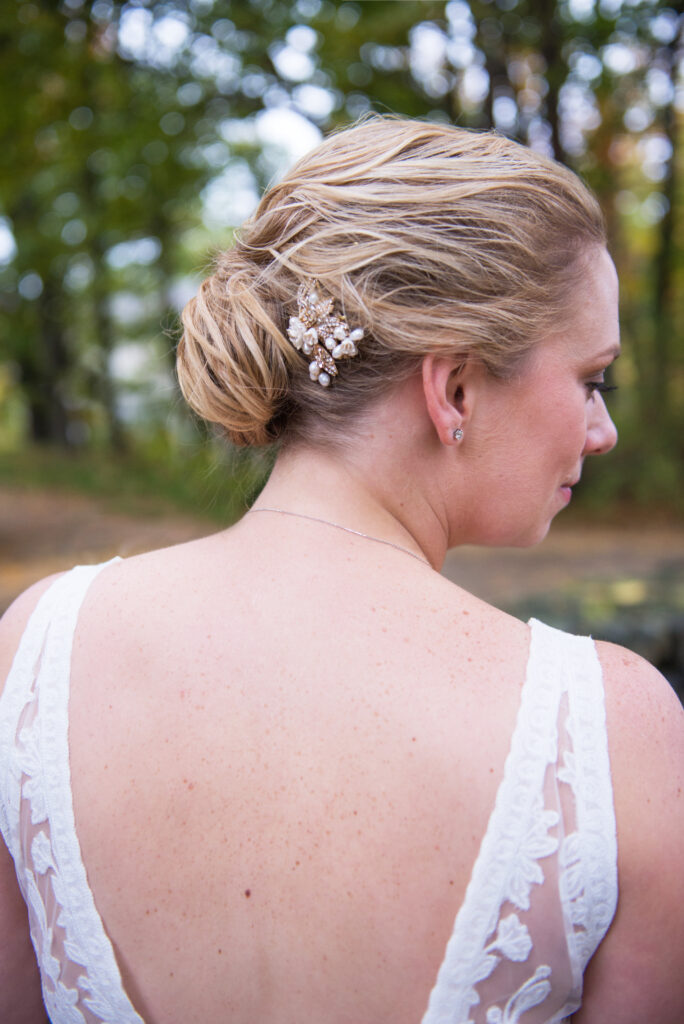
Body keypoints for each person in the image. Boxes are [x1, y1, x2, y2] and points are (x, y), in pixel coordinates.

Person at [0, 116, 682, 1024]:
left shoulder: (37, 653)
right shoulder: (613, 734)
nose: (604, 433)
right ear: (456, 390)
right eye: (592, 379)